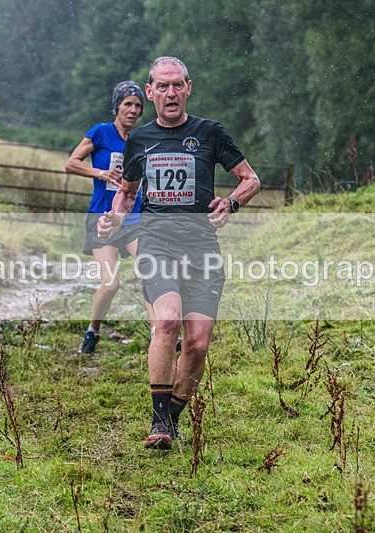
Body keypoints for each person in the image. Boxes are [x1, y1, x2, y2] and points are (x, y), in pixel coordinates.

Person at [98, 57, 261, 449]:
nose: (170, 93)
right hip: (157, 243)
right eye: (162, 86)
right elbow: (126, 193)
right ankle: (158, 421)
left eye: (177, 85)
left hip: (202, 248)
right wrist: (115, 217)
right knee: (168, 322)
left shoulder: (209, 133)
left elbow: (250, 179)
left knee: (198, 344)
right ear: (150, 91)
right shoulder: (139, 140)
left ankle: (171, 418)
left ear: (188, 88)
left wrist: (231, 203)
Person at [65, 81, 157, 354]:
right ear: (117, 106)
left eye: (138, 105)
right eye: (128, 104)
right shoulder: (101, 132)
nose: (133, 110)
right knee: (111, 284)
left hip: (132, 219)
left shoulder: (142, 138)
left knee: (150, 274)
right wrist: (101, 173)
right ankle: (92, 331)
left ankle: (158, 335)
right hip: (102, 218)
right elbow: (71, 163)